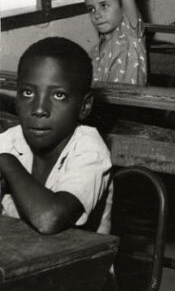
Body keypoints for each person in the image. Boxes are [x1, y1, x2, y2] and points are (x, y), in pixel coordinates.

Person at [0, 37, 112, 235]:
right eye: (27, 93)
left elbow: (48, 219)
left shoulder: (89, 150)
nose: (39, 109)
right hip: (18, 258)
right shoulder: (10, 140)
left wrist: (7, 162)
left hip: (78, 265)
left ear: (84, 106)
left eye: (58, 95)